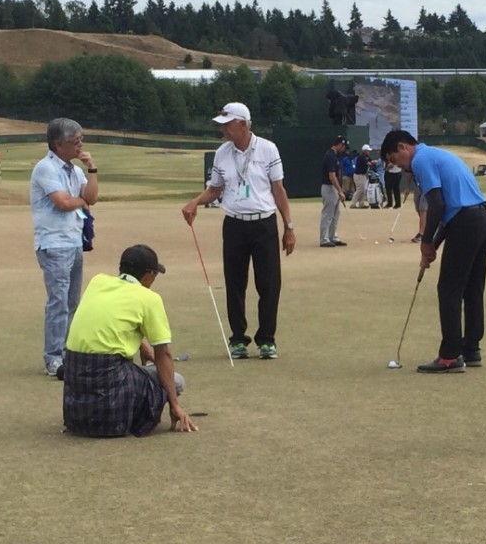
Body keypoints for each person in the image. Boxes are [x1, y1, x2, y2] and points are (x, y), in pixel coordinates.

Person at [181, 102, 296, 360]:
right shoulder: (222, 153)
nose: (223, 130)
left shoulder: (268, 149)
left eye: (227, 125)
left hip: (264, 223)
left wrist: (288, 226)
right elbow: (215, 189)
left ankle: (266, 339)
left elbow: (279, 190)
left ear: (242, 124)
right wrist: (195, 201)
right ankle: (238, 339)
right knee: (234, 283)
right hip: (234, 224)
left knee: (268, 283)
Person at [380, 130, 486, 373]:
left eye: (395, 159)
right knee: (472, 288)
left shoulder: (421, 159)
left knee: (449, 289)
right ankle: (471, 349)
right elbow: (447, 213)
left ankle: (450, 355)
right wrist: (433, 245)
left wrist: (425, 242)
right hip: (482, 221)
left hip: (466, 223)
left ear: (403, 147)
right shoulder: (436, 154)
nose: (399, 167)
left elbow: (437, 204)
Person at [61, 245, 197, 437]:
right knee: (177, 382)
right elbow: (163, 354)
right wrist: (175, 405)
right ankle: (133, 416)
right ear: (149, 274)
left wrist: (142, 344)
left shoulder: (98, 282)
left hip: (76, 374)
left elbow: (107, 318)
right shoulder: (149, 298)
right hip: (109, 376)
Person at [30, 117, 99, 377]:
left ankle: (69, 352)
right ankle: (54, 358)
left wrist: (91, 168)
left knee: (72, 301)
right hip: (53, 243)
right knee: (58, 301)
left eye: (81, 140)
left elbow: (91, 197)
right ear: (59, 144)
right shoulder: (46, 168)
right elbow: (62, 202)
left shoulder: (75, 169)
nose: (80, 146)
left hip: (73, 241)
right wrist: (80, 201)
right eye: (75, 142)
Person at [319, 136, 349, 247]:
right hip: (329, 187)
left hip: (334, 188)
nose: (344, 149)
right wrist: (340, 191)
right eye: (344, 147)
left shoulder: (335, 156)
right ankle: (324, 238)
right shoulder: (330, 156)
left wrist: (340, 190)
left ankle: (333, 236)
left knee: (336, 214)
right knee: (328, 214)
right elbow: (332, 176)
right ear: (340, 145)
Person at [402, 169, 427, 243]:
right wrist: (407, 187)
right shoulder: (412, 163)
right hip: (418, 187)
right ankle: (427, 228)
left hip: (428, 186)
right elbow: (409, 173)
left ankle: (422, 234)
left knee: (423, 208)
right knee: (418, 209)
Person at [351, 144, 372, 208]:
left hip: (362, 175)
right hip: (358, 175)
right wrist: (371, 163)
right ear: (364, 151)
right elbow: (368, 163)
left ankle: (361, 204)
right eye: (367, 150)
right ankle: (353, 204)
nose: (369, 152)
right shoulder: (361, 157)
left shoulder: (366, 156)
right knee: (359, 190)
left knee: (363, 190)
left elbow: (371, 160)